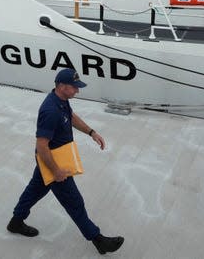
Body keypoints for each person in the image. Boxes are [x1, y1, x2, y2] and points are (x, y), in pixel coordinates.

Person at [7, 68, 124, 255]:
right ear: (62, 86)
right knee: (74, 202)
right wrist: (56, 171)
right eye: (74, 87)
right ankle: (99, 240)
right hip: (53, 162)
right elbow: (42, 145)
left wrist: (91, 132)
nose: (77, 90)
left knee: (35, 189)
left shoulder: (61, 100)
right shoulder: (50, 110)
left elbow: (71, 117)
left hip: (51, 160)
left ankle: (15, 222)